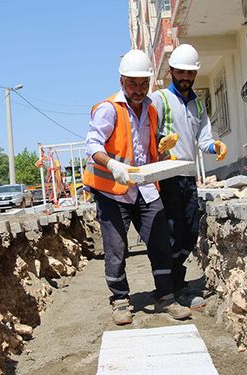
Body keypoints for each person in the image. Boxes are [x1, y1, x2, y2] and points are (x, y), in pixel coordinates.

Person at [83, 49, 191, 325]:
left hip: (144, 188)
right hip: (112, 191)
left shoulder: (152, 108)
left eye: (144, 84)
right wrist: (114, 166)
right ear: (122, 82)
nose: (139, 89)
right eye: (133, 83)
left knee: (159, 241)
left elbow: (147, 148)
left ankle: (166, 296)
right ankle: (120, 300)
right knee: (116, 248)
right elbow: (92, 145)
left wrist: (163, 150)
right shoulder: (109, 109)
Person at [151, 44, 228, 309]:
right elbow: (150, 131)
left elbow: (203, 137)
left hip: (187, 176)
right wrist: (160, 142)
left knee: (191, 230)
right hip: (167, 176)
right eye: (181, 72)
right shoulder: (160, 99)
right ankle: (173, 286)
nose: (186, 77)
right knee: (173, 230)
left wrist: (213, 146)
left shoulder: (196, 104)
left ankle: (174, 279)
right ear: (171, 71)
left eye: (190, 73)